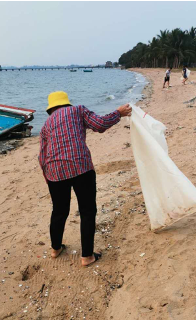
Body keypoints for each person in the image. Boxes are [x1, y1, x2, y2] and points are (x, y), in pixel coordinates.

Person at [39, 91, 132, 267]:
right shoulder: (78, 110)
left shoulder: (46, 125)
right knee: (87, 210)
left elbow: (42, 156)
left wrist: (49, 178)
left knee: (59, 211)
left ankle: (55, 249)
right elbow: (100, 125)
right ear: (67, 103)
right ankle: (87, 256)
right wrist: (118, 113)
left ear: (51, 109)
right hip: (80, 167)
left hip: (54, 171)